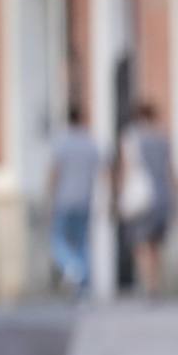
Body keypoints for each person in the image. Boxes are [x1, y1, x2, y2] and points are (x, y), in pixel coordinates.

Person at [117, 101, 177, 299]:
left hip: (141, 197)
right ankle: (155, 283)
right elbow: (171, 170)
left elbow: (127, 170)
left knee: (141, 243)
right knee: (155, 245)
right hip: (162, 196)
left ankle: (147, 284)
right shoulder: (163, 138)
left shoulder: (132, 139)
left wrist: (120, 195)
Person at [47, 103, 101, 299]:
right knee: (82, 243)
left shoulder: (62, 143)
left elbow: (54, 173)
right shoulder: (90, 143)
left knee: (57, 241)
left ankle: (73, 268)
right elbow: (101, 170)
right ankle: (82, 286)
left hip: (64, 200)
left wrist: (50, 197)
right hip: (84, 200)